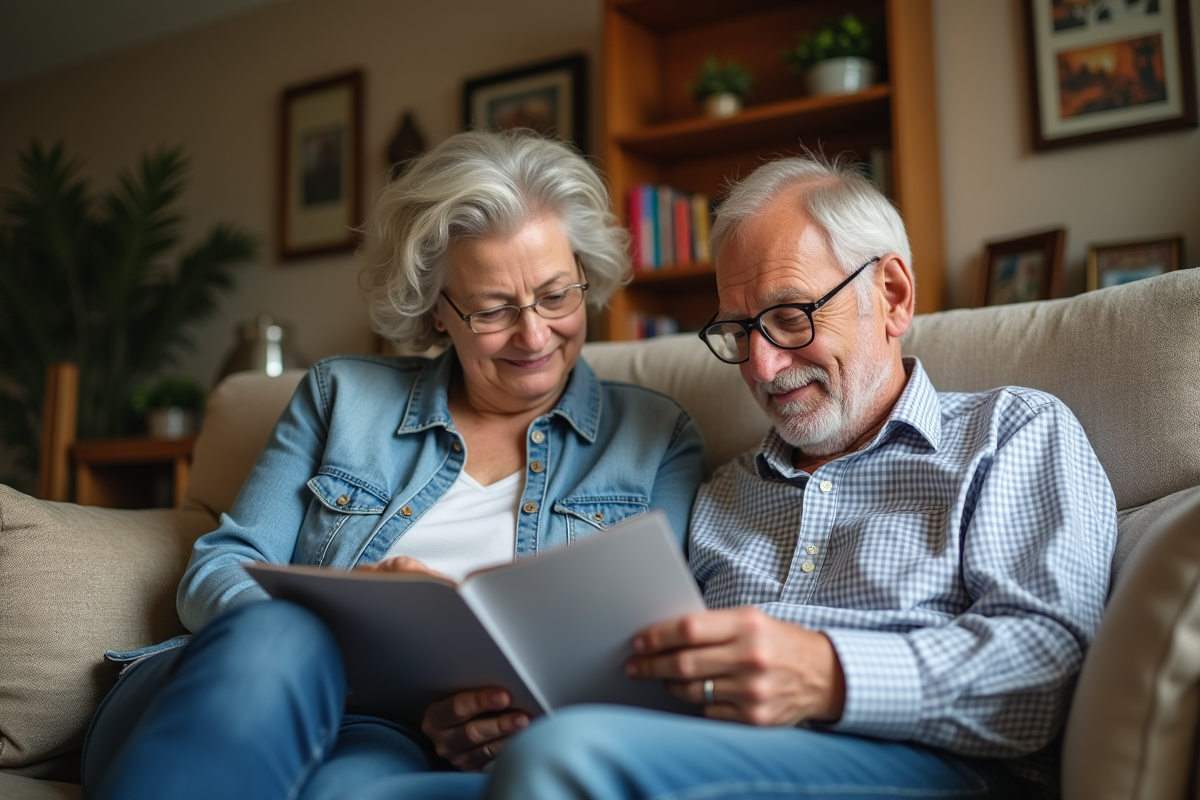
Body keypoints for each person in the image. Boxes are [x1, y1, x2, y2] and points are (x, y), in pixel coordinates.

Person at [80, 129, 706, 800]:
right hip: (245, 686)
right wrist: (350, 629)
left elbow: (647, 644)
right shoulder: (341, 396)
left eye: (557, 296)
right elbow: (216, 568)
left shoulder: (656, 436)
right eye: (493, 309)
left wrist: (512, 724)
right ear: (438, 311)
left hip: (423, 739)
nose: (533, 335)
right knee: (280, 632)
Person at [487, 154, 1118, 800]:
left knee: (563, 760)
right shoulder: (722, 492)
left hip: (933, 766)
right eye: (739, 330)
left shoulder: (1010, 433)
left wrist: (828, 674)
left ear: (892, 295)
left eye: (791, 316)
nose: (762, 367)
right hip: (706, 753)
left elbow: (1046, 669)